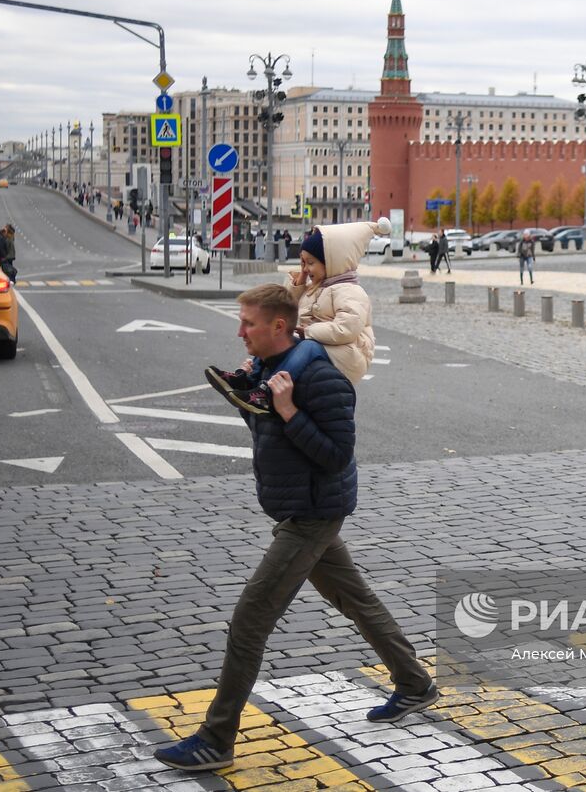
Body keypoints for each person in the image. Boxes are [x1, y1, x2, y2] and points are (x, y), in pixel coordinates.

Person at [155, 283, 438, 773]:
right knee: (355, 598)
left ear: (279, 327)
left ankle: (216, 739)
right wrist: (248, 394)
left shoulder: (320, 378)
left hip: (314, 512)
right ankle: (415, 682)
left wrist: (288, 410)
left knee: (250, 618)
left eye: (249, 324)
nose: (240, 332)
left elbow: (334, 454)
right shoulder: (272, 369)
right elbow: (268, 431)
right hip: (300, 507)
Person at [206, 219, 391, 416]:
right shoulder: (314, 287)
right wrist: (299, 282)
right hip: (323, 345)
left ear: (331, 261)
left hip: (349, 352)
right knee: (276, 339)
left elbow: (346, 329)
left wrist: (309, 332)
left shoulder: (351, 291)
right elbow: (286, 310)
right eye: (302, 262)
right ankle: (246, 379)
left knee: (307, 345)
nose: (306, 269)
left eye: (310, 263)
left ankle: (266, 392)